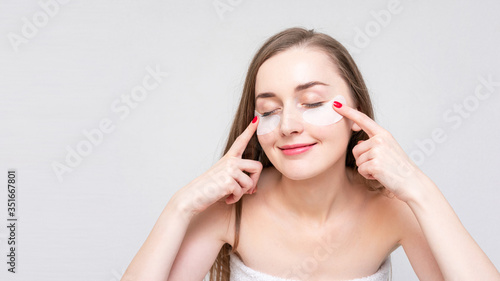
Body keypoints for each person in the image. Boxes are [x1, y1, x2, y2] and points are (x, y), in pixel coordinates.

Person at [121, 27, 499, 281]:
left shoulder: (394, 209)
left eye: (312, 102)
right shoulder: (230, 208)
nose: (287, 125)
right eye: (268, 110)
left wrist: (420, 188)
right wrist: (180, 207)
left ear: (356, 113)